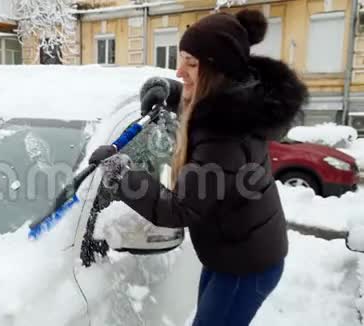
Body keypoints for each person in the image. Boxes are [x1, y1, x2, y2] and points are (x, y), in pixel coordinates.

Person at [89, 9, 308, 326]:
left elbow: (178, 210)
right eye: (181, 60)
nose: (179, 71)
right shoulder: (235, 104)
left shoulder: (224, 138)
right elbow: (207, 103)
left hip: (245, 266)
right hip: (234, 254)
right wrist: (173, 92)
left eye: (191, 64)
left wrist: (121, 175)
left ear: (217, 71)